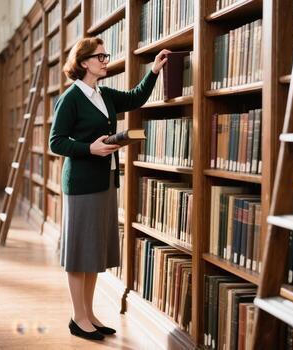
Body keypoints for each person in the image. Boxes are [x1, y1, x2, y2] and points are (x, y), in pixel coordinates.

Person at [49, 36, 169, 341]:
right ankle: (78, 318)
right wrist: (89, 148)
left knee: (92, 252)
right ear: (84, 62)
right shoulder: (71, 98)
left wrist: (153, 71)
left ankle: (88, 314)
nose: (105, 61)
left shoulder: (104, 95)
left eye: (105, 55)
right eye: (101, 57)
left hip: (105, 181)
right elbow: (56, 142)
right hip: (82, 184)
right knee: (79, 253)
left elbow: (136, 98)